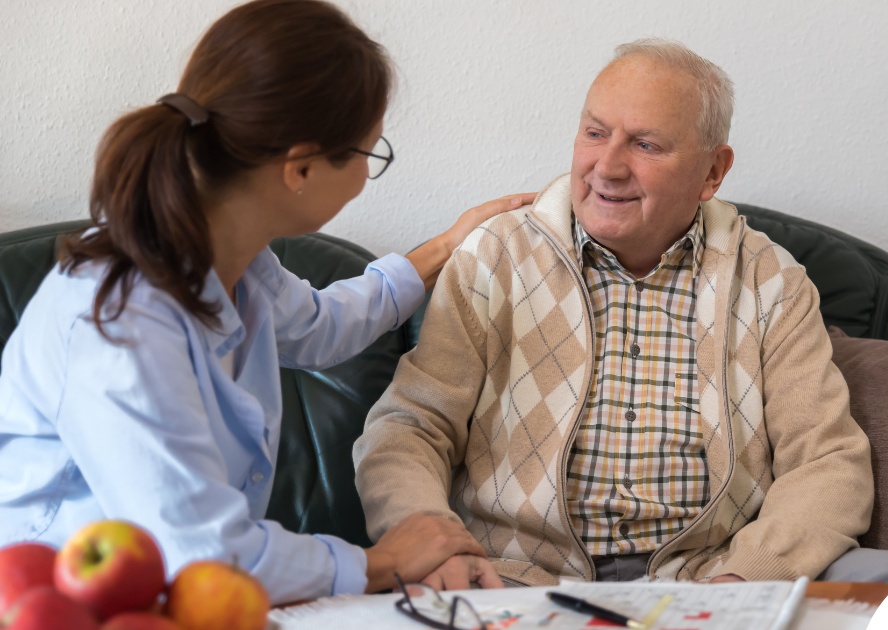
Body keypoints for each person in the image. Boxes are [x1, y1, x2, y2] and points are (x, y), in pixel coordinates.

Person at [0, 0, 521, 604]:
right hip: (61, 601)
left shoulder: (233, 257)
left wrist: (449, 245)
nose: (364, 176)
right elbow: (199, 552)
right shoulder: (119, 323)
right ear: (299, 169)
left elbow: (322, 328)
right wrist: (380, 562)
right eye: (369, 154)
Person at [353, 38, 888, 589]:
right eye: (595, 133)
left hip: (710, 576)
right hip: (513, 577)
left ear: (712, 172)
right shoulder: (497, 255)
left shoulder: (771, 281)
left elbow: (826, 460)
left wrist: (744, 577)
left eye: (645, 145)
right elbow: (410, 428)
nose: (608, 166)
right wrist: (435, 544)